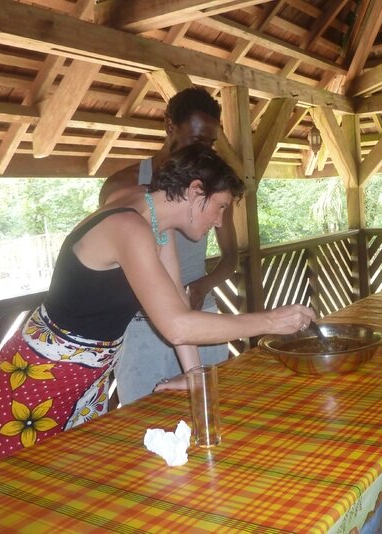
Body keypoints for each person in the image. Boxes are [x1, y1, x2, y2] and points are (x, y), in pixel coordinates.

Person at [0, 144, 315, 462]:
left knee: (71, 484)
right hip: (40, 374)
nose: (219, 221)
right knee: (17, 488)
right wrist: (270, 322)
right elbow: (176, 326)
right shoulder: (128, 226)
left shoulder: (154, 216)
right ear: (196, 192)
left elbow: (177, 304)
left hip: (88, 372)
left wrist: (194, 375)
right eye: (222, 207)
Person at [100, 87, 237, 404]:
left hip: (197, 312)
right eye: (196, 139)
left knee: (210, 407)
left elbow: (230, 258)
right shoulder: (124, 186)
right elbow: (119, 261)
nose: (204, 150)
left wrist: (202, 286)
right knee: (144, 413)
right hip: (141, 322)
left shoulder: (211, 187)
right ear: (170, 127)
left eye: (210, 143)